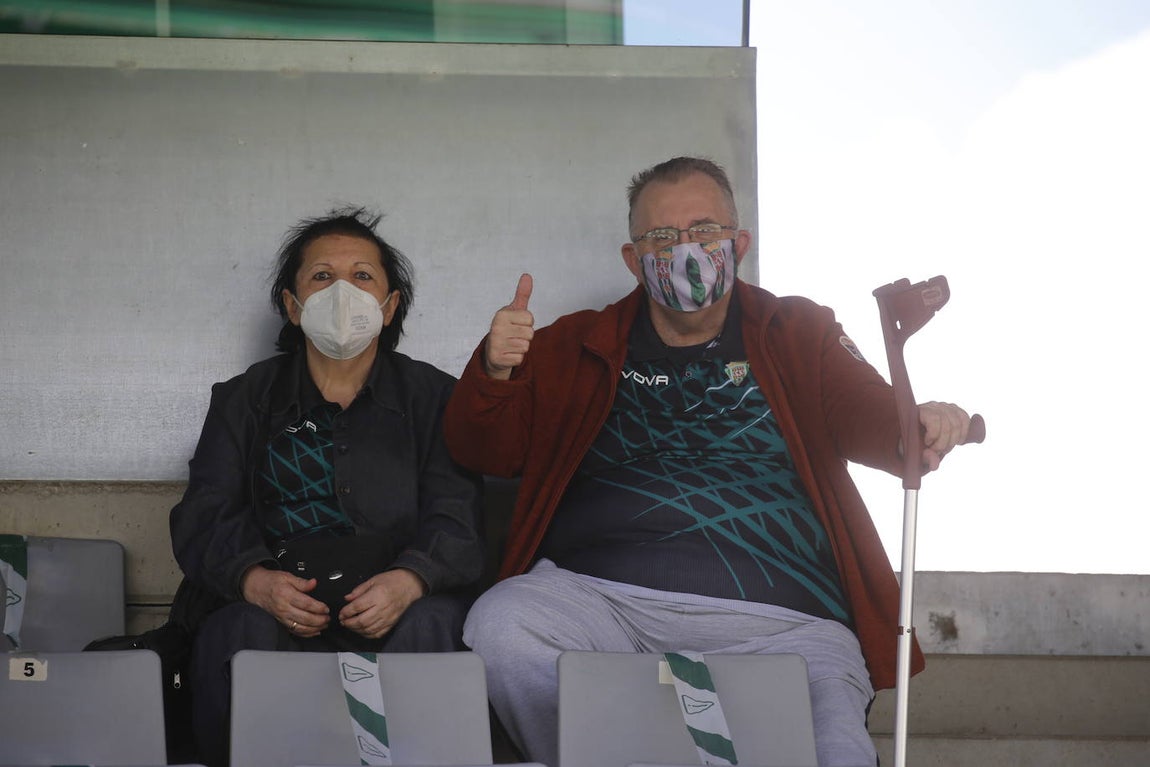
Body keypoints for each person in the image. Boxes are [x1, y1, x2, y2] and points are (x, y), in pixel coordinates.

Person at [443, 157, 974, 767]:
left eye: (704, 231)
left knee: (838, 746)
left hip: (785, 621)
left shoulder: (795, 329)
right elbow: (485, 450)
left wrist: (918, 423)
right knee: (504, 623)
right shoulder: (576, 341)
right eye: (662, 238)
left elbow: (871, 417)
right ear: (632, 257)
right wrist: (495, 371)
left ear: (739, 243)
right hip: (604, 604)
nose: (684, 250)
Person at [170, 207, 485, 767]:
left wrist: (412, 580)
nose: (343, 291)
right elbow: (205, 512)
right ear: (293, 307)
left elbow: (456, 512)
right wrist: (256, 581)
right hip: (274, 613)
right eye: (322, 276)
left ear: (389, 308)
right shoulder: (245, 397)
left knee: (437, 622)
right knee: (235, 629)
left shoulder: (434, 396)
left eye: (363, 276)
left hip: (396, 611)